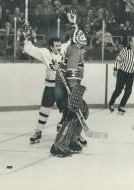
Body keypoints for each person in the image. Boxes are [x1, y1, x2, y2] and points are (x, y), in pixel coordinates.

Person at [50, 11, 89, 157]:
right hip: (65, 88)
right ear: (78, 43)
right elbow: (72, 73)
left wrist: (75, 23)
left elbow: (75, 34)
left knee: (82, 111)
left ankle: (72, 141)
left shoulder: (74, 47)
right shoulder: (76, 51)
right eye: (82, 43)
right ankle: (59, 145)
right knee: (73, 114)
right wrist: (74, 94)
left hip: (64, 88)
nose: (84, 46)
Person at [23, 35, 69, 144]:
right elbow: (30, 49)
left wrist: (74, 24)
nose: (59, 47)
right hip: (49, 87)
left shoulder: (63, 49)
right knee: (44, 111)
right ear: (51, 47)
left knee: (67, 110)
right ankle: (38, 132)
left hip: (61, 87)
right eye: (56, 46)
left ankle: (62, 126)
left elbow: (72, 41)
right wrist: (26, 38)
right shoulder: (45, 53)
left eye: (59, 45)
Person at [108, 36, 134, 114]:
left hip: (131, 74)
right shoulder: (125, 50)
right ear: (130, 42)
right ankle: (111, 103)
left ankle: (121, 106)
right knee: (119, 90)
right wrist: (115, 69)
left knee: (128, 91)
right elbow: (117, 60)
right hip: (122, 73)